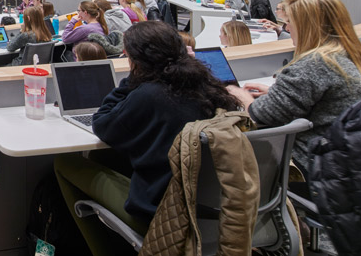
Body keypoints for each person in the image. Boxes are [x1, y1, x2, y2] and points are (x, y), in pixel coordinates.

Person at [54, 21, 239, 252]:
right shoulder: (208, 86)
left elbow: (102, 124)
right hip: (215, 211)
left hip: (162, 215)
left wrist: (134, 78)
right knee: (104, 159)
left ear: (136, 60)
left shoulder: (149, 94)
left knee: (64, 162)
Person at [227, 0, 361, 174]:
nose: (287, 28)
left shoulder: (315, 64)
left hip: (318, 169)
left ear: (307, 27)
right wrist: (277, 93)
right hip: (356, 162)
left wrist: (240, 95)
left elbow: (260, 115)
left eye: (290, 22)